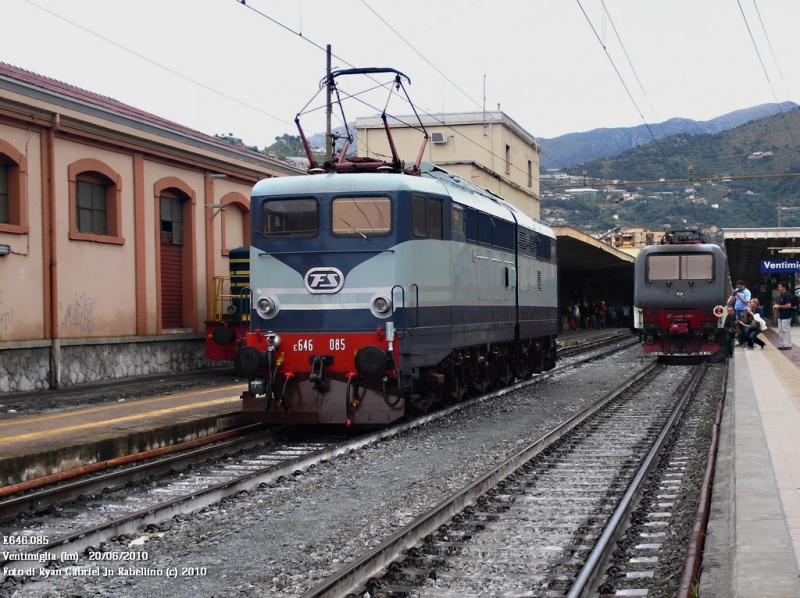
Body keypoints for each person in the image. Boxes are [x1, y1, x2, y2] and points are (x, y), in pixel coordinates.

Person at [774, 281, 794, 350]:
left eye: (780, 287)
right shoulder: (781, 295)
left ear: (784, 287)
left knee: (786, 330)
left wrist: (779, 306)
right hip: (781, 315)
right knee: (781, 330)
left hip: (786, 315)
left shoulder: (787, 295)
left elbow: (788, 305)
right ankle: (782, 344)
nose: (778, 288)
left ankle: (787, 344)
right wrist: (777, 306)